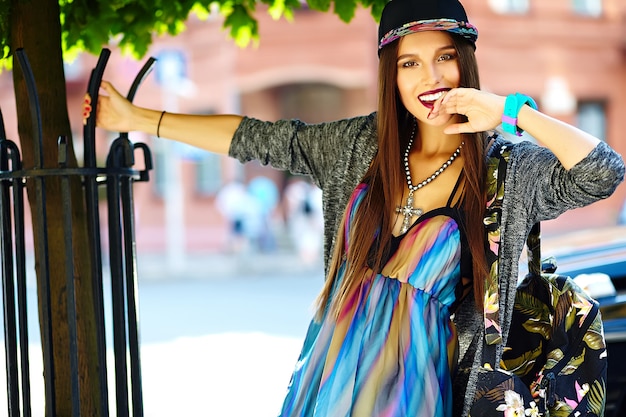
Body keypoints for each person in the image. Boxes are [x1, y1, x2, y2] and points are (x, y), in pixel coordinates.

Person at [83, 0, 625, 415]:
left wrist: (511, 112)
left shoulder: (507, 167)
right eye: (410, 63)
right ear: (392, 75)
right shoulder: (360, 147)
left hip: (420, 385)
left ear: (466, 63)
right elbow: (259, 138)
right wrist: (137, 119)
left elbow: (604, 172)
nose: (430, 79)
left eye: (444, 59)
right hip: (330, 371)